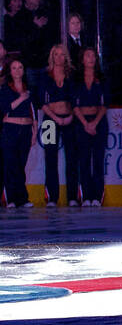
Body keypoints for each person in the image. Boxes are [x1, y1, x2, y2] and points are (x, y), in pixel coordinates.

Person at [38, 43, 78, 206]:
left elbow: (76, 99)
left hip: (69, 118)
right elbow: (42, 102)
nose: (59, 57)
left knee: (72, 158)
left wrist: (69, 117)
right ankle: (52, 197)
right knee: (50, 157)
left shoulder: (71, 75)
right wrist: (56, 118)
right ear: (52, 56)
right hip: (50, 120)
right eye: (56, 54)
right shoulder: (45, 76)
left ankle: (72, 197)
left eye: (62, 54)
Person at [72, 47, 107, 206]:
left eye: (93, 56)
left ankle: (97, 196)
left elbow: (105, 104)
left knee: (98, 160)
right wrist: (86, 124)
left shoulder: (102, 78)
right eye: (87, 56)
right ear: (82, 59)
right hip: (81, 123)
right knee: (84, 160)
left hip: (99, 122)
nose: (91, 59)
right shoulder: (76, 79)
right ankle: (86, 196)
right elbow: (74, 105)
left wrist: (94, 122)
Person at [1, 58, 36, 209]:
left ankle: (22, 199)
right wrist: (21, 98)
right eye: (14, 68)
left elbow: (33, 112)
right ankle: (12, 199)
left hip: (26, 130)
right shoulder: (5, 90)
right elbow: (5, 108)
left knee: (21, 165)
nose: (17, 70)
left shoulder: (29, 89)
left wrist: (34, 132)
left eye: (20, 67)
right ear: (10, 71)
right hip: (10, 130)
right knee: (11, 165)